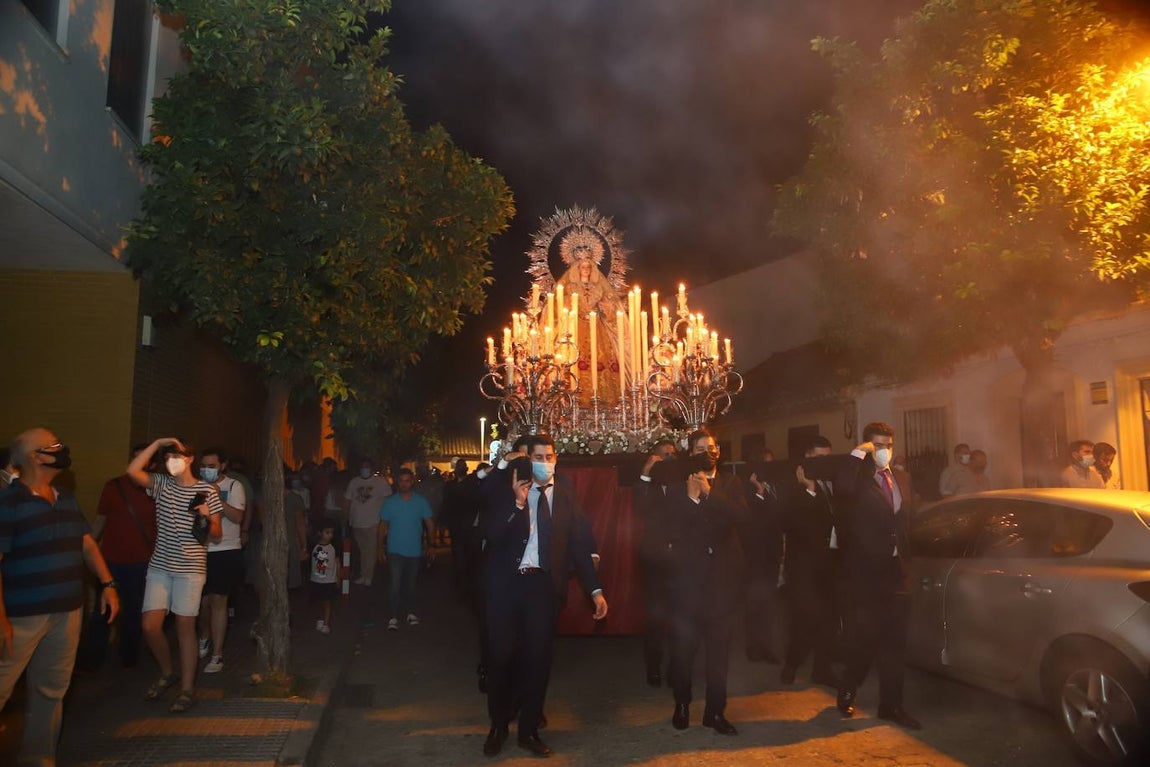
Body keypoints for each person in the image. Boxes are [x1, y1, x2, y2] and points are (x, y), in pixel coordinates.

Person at [482, 434, 607, 758]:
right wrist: (518, 503)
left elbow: (579, 542)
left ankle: (529, 731)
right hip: (505, 587)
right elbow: (491, 535)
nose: (546, 462)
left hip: (542, 588)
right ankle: (498, 726)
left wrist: (595, 590)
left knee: (538, 661)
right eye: (539, 456)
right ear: (527, 459)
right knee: (501, 658)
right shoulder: (507, 485)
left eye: (550, 455)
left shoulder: (564, 490)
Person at [0, 428, 120, 766]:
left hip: (68, 611)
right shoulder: (8, 502)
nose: (62, 449)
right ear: (36, 457)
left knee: (51, 690)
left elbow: (86, 543)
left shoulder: (65, 496)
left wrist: (108, 584)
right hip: (22, 616)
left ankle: (38, 757)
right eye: (54, 446)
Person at [834, 422, 921, 730]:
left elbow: (909, 520)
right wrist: (858, 454)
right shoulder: (857, 480)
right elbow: (841, 487)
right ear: (868, 449)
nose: (885, 451)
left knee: (895, 643)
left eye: (888, 445)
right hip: (868, 573)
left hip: (897, 572)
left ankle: (891, 706)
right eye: (877, 446)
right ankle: (847, 687)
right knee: (864, 638)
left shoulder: (902, 478)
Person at [128, 437, 223, 714]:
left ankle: (187, 688)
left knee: (184, 626)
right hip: (160, 565)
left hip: (190, 569)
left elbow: (216, 535)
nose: (172, 462)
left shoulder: (208, 491)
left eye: (177, 457)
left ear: (190, 459)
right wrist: (156, 443)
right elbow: (133, 471)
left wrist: (207, 516)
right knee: (150, 626)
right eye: (168, 458)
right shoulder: (162, 485)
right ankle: (168, 672)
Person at [667, 429, 747, 736]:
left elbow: (741, 516)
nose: (708, 452)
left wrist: (711, 495)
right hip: (688, 583)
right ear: (692, 453)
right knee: (684, 649)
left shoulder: (730, 482)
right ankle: (682, 704)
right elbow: (671, 528)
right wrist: (691, 497)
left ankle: (715, 711)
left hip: (721, 583)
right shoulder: (678, 487)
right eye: (701, 448)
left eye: (712, 447)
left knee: (718, 652)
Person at [87, 442, 157, 669]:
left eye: (143, 460)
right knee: (102, 611)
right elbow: (101, 520)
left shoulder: (157, 490)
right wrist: (89, 550)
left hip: (141, 561)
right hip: (110, 561)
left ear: (152, 464)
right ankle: (94, 658)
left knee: (133, 612)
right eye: (134, 458)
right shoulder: (113, 487)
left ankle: (129, 658)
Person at [780, 435, 841, 688]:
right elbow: (794, 523)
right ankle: (792, 664)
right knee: (805, 619)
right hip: (804, 566)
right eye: (819, 458)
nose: (824, 462)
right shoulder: (792, 487)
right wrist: (809, 489)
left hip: (830, 563)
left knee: (828, 620)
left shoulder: (832, 484)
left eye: (827, 457)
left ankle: (822, 670)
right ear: (807, 458)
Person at [197, 448, 246, 675]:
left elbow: (237, 517)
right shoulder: (196, 486)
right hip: (201, 550)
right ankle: (204, 635)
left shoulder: (234, 487)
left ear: (222, 466)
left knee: (219, 601)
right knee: (200, 602)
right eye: (203, 465)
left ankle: (217, 654)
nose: (207, 470)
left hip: (226, 550)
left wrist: (217, 498)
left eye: (212, 465)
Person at [635, 438, 677, 687]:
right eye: (664, 455)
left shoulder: (684, 483)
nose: (669, 459)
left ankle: (676, 666)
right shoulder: (647, 485)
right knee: (655, 617)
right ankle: (653, 666)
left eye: (673, 455)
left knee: (680, 617)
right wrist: (647, 472)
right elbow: (639, 506)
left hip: (681, 561)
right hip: (654, 562)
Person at [378, 468, 435, 630]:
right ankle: (394, 616)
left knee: (411, 584)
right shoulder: (390, 502)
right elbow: (382, 526)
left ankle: (411, 612)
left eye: (407, 480)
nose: (404, 483)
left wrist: (431, 545)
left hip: (414, 550)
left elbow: (430, 524)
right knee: (395, 583)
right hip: (394, 550)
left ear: (412, 481)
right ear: (397, 482)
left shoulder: (421, 501)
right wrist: (379, 548)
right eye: (401, 480)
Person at [344, 459, 392, 586]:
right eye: (362, 467)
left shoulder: (380, 482)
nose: (364, 469)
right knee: (363, 550)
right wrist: (347, 517)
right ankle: (364, 574)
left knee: (370, 550)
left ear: (371, 468)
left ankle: (368, 576)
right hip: (357, 522)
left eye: (367, 467)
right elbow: (348, 500)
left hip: (373, 522)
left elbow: (388, 500)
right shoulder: (354, 482)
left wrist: (386, 521)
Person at [310, 522, 339, 634]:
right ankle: (320, 620)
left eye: (331, 533)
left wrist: (337, 577)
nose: (330, 535)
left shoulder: (332, 548)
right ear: (320, 533)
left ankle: (326, 623)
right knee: (318, 601)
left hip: (328, 580)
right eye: (327, 532)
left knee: (327, 602)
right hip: (316, 579)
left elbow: (337, 562)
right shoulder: (315, 547)